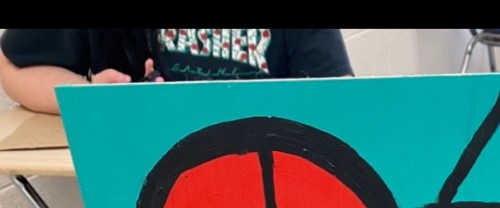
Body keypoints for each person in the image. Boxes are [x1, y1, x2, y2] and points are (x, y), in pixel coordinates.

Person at [0, 29, 353, 114]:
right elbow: (11, 67)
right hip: (154, 191)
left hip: (274, 183)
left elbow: (341, 100)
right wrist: (88, 95)